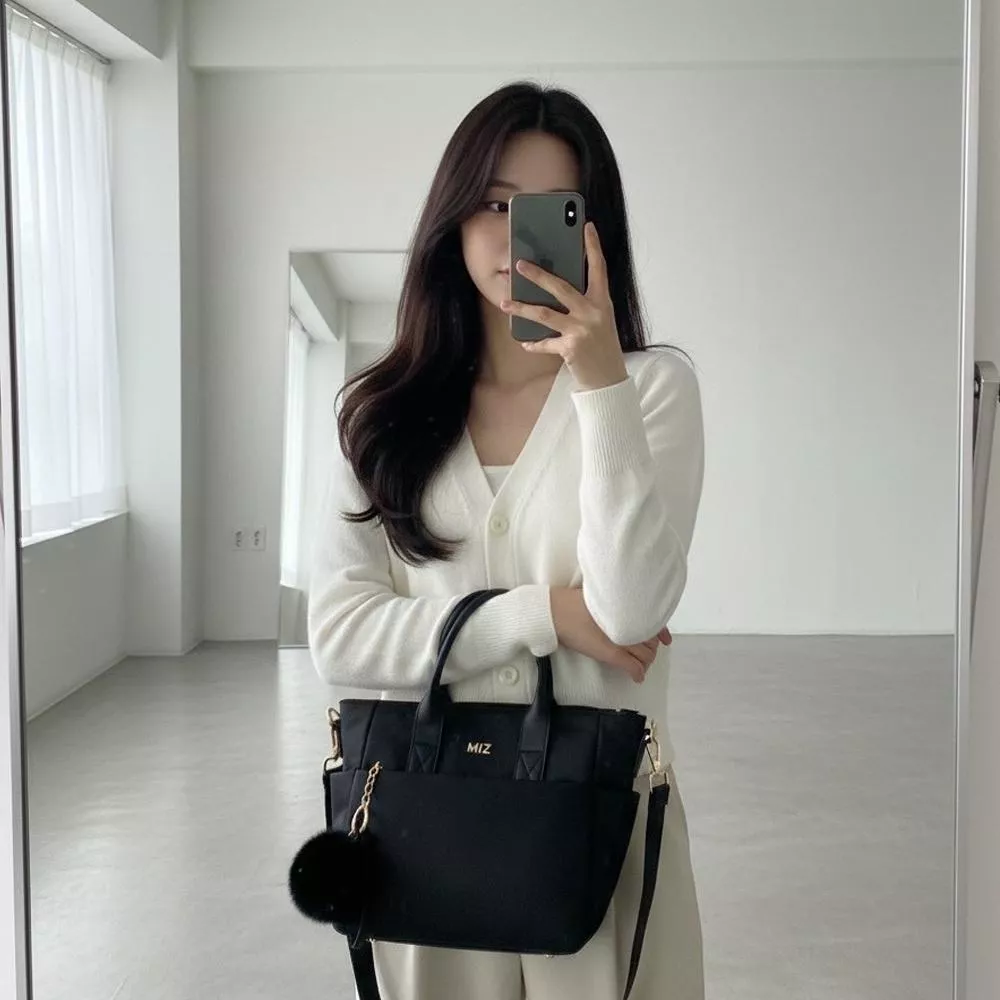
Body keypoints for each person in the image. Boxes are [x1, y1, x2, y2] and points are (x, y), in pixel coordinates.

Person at [307, 80, 706, 1000]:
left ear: (593, 230)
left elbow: (632, 612)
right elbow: (340, 636)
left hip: (601, 832)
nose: (514, 235)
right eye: (493, 203)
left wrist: (598, 380)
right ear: (451, 218)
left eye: (549, 210)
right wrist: (547, 615)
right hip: (427, 835)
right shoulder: (376, 415)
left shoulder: (651, 391)